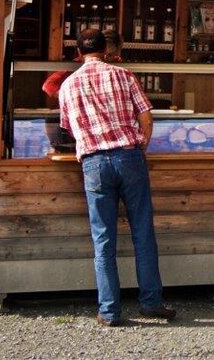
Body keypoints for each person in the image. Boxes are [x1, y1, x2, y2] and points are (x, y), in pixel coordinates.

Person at [58, 28, 175, 327]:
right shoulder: (124, 75)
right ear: (106, 48)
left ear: (80, 51)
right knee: (143, 233)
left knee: (103, 239)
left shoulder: (68, 85)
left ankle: (109, 311)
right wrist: (141, 144)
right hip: (129, 156)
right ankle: (151, 303)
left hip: (94, 163)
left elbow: (69, 127)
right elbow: (146, 116)